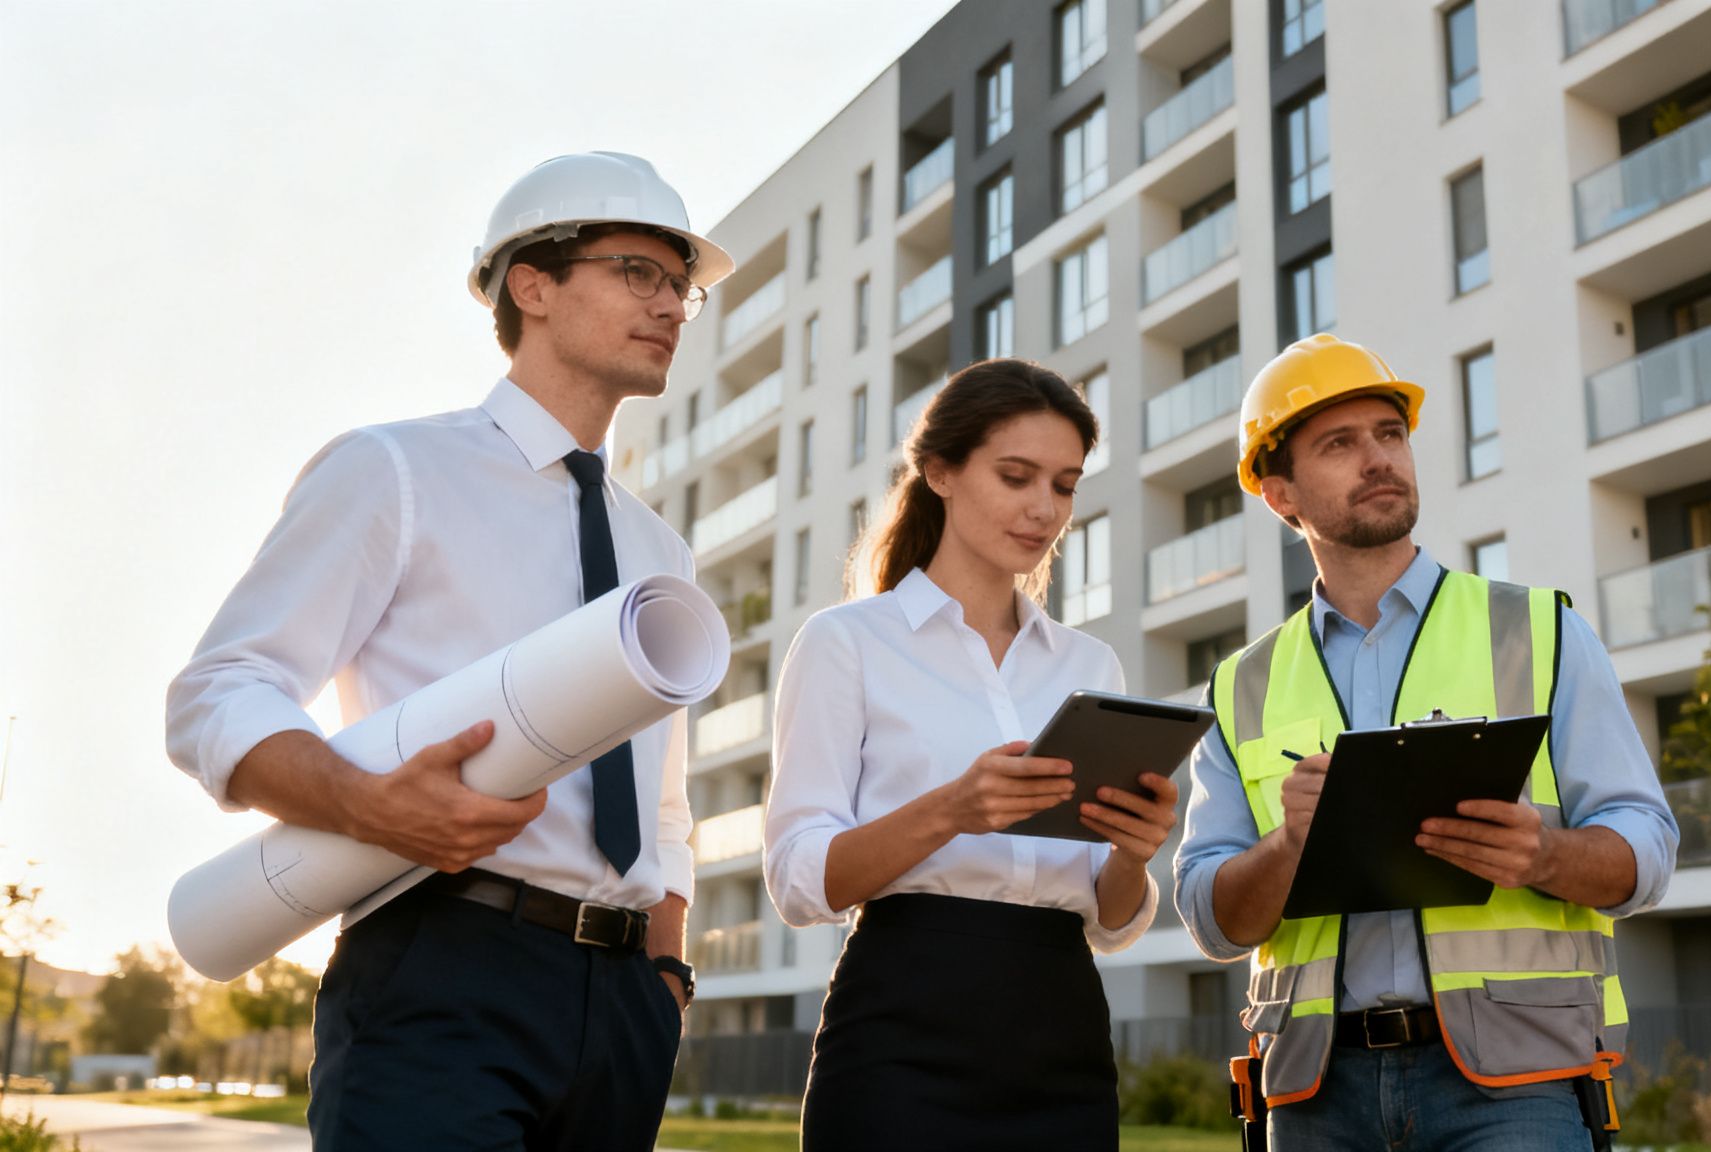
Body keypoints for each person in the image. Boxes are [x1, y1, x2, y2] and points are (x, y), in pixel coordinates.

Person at [165, 151, 735, 1150]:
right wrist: (358, 800)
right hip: (442, 964)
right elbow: (220, 689)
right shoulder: (395, 470)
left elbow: (663, 799)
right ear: (534, 285)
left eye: (677, 283)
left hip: (622, 1007)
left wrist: (665, 974)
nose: (672, 305)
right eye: (637, 272)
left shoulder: (658, 549)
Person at [1173, 334, 1680, 1151]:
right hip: (1314, 1091)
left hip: (1517, 1086)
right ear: (1279, 494)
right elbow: (1210, 917)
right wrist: (1288, 846)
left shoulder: (1541, 633)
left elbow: (1647, 849)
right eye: (1339, 444)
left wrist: (1543, 856)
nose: (1378, 459)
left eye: (1390, 434)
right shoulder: (1242, 686)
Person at [763, 360, 1179, 1152]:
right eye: (1016, 476)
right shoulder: (848, 643)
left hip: (1063, 1028)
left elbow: (1112, 918)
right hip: (899, 1027)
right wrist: (952, 809)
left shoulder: (1089, 668)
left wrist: (1133, 853)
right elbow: (797, 881)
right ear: (941, 472)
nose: (1043, 508)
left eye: (1063, 485)